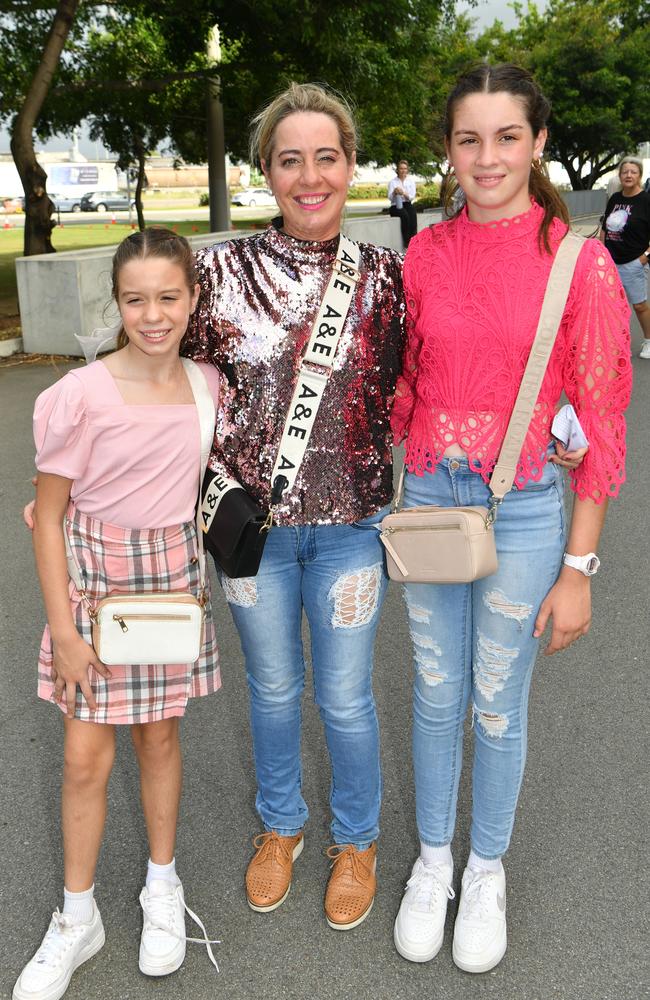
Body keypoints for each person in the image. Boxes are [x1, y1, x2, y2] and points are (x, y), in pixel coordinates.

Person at [390, 64, 632, 974]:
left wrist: (581, 569)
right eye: (467, 138)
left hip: (526, 510)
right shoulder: (423, 256)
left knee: (497, 699)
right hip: (426, 501)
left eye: (505, 137)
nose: (485, 157)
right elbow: (404, 385)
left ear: (536, 144)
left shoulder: (579, 261)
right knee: (433, 692)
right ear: (446, 149)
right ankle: (434, 861)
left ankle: (484, 868)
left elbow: (603, 418)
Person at [182, 83, 405, 931]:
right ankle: (281, 828)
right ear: (266, 172)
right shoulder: (216, 271)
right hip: (253, 535)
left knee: (345, 699)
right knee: (273, 693)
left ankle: (358, 839)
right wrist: (75, 478)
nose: (310, 176)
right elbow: (164, 389)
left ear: (351, 165)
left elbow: (434, 379)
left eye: (327, 157)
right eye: (289, 160)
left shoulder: (384, 276)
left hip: (352, 528)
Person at [14, 229, 220, 1000]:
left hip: (170, 584)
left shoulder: (208, 386)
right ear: (118, 303)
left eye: (169, 297)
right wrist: (64, 633)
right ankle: (77, 918)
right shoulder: (79, 394)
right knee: (82, 758)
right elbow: (49, 514)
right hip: (94, 591)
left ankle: (160, 889)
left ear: (193, 299)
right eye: (135, 300)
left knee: (160, 739)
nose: (153, 314)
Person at [599, 155, 650, 359]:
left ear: (639, 176)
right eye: (625, 171)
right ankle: (617, 343)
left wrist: (645, 257)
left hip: (634, 262)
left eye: (633, 172)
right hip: (610, 262)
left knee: (639, 305)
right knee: (613, 307)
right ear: (620, 175)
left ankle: (648, 341)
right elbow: (604, 228)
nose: (628, 175)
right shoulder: (615, 199)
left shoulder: (646, 200)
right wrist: (601, 255)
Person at [388, 159, 418, 248]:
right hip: (395, 205)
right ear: (398, 170)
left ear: (407, 170)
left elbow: (412, 197)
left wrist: (403, 193)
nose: (403, 170)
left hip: (407, 203)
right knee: (404, 215)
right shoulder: (393, 182)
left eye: (405, 168)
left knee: (412, 213)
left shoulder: (411, 181)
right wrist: (394, 192)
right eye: (401, 168)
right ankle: (406, 241)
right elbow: (390, 198)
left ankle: (414, 240)